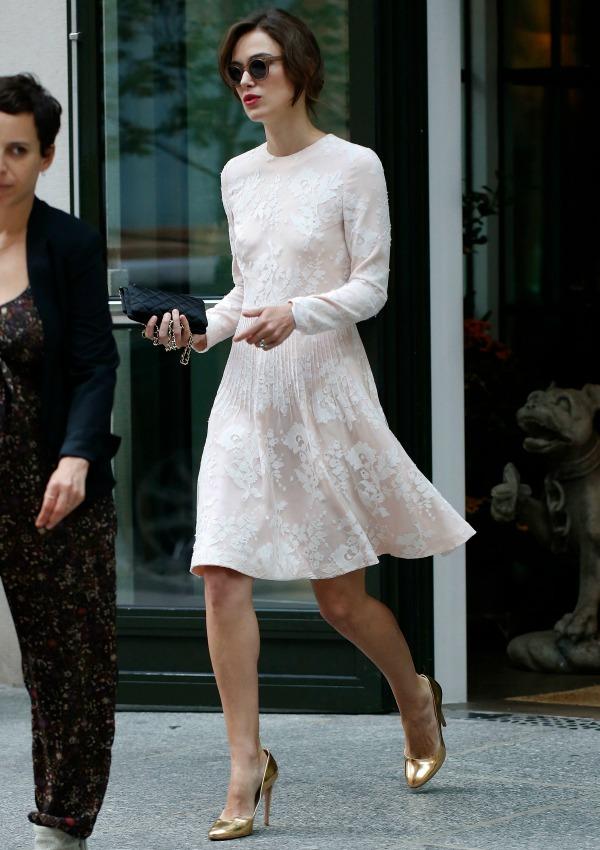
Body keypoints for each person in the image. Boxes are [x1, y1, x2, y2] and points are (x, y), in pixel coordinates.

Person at [146, 7, 475, 841]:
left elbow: (371, 287)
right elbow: (242, 292)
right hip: (251, 394)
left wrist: (300, 312)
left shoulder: (354, 165)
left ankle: (414, 696)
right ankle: (245, 766)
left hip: (324, 391)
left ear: (298, 66)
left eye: (258, 66)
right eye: (235, 73)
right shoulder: (236, 173)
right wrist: (199, 324)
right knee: (219, 571)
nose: (246, 83)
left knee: (337, 599)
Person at [0, 74, 120, 850]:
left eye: (15, 149)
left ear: (46, 155)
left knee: (68, 673)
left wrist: (77, 457)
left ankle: (63, 828)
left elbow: (93, 364)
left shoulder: (68, 244)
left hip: (51, 493)